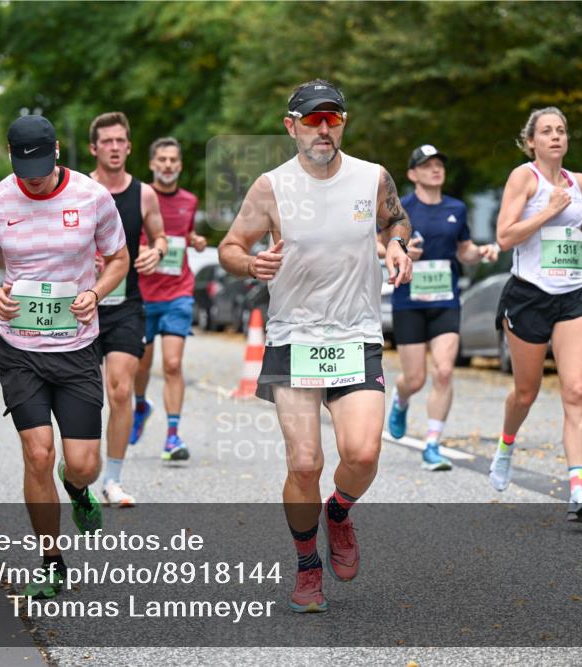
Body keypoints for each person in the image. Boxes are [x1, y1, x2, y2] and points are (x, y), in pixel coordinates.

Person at [218, 80, 413, 613]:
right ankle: (307, 564)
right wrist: (250, 263)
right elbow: (230, 247)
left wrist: (396, 244)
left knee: (363, 454)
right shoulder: (271, 187)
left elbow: (395, 218)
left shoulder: (372, 177)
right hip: (293, 338)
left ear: (344, 122)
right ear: (291, 126)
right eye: (311, 120)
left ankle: (339, 511)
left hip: (356, 335)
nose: (322, 129)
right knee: (304, 463)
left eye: (332, 119)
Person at [0, 114, 128, 598]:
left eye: (39, 164)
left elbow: (118, 257)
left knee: (83, 465)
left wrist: (96, 292)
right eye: (23, 166)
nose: (32, 177)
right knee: (38, 453)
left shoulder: (92, 196)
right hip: (18, 348)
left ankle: (76, 490)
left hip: (77, 346)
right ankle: (51, 560)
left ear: (57, 150)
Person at [488, 107, 582, 522]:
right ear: (532, 142)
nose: (556, 136)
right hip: (529, 296)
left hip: (575, 293)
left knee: (575, 390)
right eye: (546, 131)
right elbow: (504, 237)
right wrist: (547, 212)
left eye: (561, 130)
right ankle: (506, 444)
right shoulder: (524, 178)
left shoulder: (578, 182)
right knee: (527, 391)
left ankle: (579, 485)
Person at [387, 145, 500, 470]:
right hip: (409, 301)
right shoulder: (400, 209)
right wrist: (405, 253)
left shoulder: (457, 208)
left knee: (445, 371)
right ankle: (402, 398)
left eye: (439, 164)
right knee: (415, 378)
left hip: (445, 300)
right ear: (412, 174)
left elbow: (463, 250)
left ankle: (432, 444)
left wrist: (479, 253)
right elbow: (383, 246)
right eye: (426, 165)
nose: (435, 169)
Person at [87, 112, 167, 507]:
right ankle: (80, 466)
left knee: (120, 390)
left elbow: (160, 236)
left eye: (121, 140)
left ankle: (112, 479)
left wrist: (156, 251)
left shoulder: (145, 194)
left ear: (129, 147)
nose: (115, 147)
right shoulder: (81, 190)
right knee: (85, 396)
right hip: (82, 307)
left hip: (126, 305)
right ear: (94, 148)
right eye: (107, 141)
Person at [131, 137, 208, 459]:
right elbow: (126, 237)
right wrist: (143, 251)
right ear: (152, 164)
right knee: (141, 366)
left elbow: (182, 234)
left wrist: (196, 240)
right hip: (144, 294)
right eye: (161, 159)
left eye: (173, 160)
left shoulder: (189, 200)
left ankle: (172, 437)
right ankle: (140, 406)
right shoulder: (139, 197)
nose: (167, 165)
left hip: (178, 291)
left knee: (173, 364)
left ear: (180, 165)